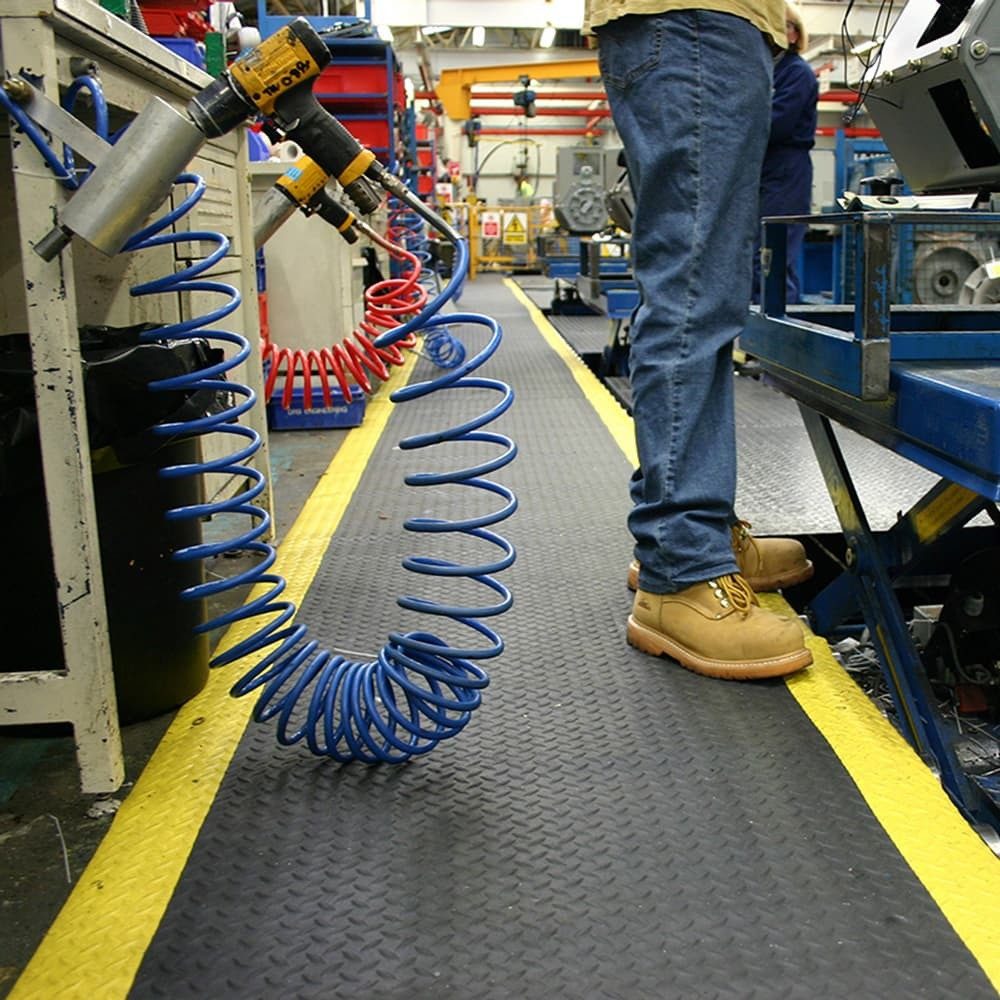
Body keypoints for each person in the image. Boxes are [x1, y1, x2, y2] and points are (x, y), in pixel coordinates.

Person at [583, 0, 815, 679]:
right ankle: (680, 572)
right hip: (695, 26)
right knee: (693, 296)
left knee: (704, 293)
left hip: (704, 29)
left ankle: (695, 533)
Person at [754, 2, 819, 304]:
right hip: (762, 167)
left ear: (794, 34)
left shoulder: (797, 73)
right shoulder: (766, 70)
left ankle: (779, 325)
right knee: (755, 256)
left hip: (785, 169)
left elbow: (776, 124)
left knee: (774, 257)